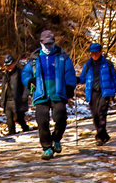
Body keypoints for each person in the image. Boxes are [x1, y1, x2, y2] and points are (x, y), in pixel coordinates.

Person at [20, 29, 77, 160]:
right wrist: (29, 80)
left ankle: (56, 138)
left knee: (61, 117)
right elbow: (25, 73)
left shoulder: (63, 57)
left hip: (58, 92)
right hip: (41, 94)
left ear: (54, 42)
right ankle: (47, 148)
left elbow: (70, 72)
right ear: (41, 43)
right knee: (42, 121)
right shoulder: (34, 59)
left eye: (50, 44)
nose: (48, 47)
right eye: (46, 44)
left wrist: (69, 86)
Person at [77, 42, 116, 146]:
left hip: (104, 92)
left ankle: (99, 137)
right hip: (92, 93)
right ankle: (104, 135)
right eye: (92, 53)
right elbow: (82, 79)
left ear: (101, 52)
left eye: (96, 52)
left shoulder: (108, 64)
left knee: (101, 114)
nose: (94, 55)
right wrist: (76, 79)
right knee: (95, 116)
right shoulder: (87, 65)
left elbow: (114, 78)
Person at [0, 54, 29, 134]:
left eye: (9, 65)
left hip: (18, 100)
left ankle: (26, 128)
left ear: (14, 63)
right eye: (6, 65)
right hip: (7, 100)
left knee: (18, 118)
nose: (8, 67)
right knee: (9, 119)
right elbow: (3, 89)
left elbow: (26, 86)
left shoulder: (20, 73)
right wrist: (2, 100)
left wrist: (24, 96)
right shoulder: (5, 75)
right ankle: (11, 134)